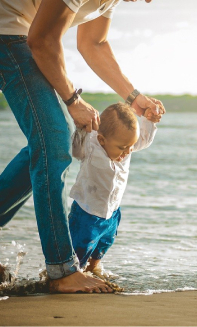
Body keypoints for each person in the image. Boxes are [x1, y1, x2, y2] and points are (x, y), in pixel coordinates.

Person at [0, 0, 164, 293]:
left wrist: (134, 97)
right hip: (8, 33)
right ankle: (62, 270)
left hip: (21, 34)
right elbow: (42, 39)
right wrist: (73, 100)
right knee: (53, 142)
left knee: (49, 146)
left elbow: (95, 43)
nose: (150, 1)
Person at [67, 102, 161, 278]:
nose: (127, 152)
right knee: (79, 248)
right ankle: (73, 275)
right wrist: (80, 128)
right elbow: (74, 149)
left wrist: (149, 120)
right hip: (86, 212)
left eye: (130, 146)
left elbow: (145, 139)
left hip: (112, 211)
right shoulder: (90, 144)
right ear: (102, 139)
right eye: (122, 148)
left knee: (104, 243)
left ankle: (94, 270)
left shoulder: (126, 143)